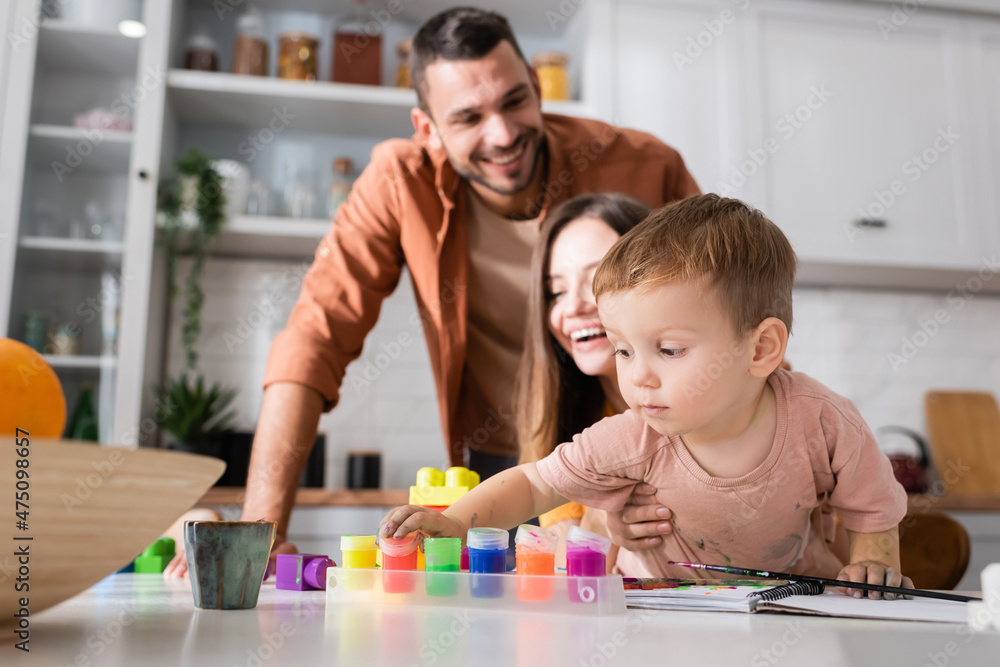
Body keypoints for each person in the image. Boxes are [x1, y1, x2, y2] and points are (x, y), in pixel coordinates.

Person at [164, 7, 698, 577]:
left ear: (538, 88)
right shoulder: (398, 183)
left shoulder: (644, 166)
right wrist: (263, 531)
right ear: (428, 129)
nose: (503, 134)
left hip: (645, 444)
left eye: (515, 101)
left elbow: (725, 313)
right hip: (507, 461)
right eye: (468, 117)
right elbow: (312, 342)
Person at [381, 193, 915, 596]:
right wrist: (455, 522)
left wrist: (874, 563)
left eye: (670, 350)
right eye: (625, 351)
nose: (638, 377)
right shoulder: (631, 434)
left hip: (795, 605)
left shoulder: (824, 422)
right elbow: (533, 482)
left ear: (761, 349)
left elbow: (873, 510)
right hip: (670, 610)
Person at [515, 193, 658, 569]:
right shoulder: (570, 426)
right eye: (556, 292)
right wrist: (605, 517)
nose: (573, 306)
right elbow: (568, 566)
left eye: (598, 280)